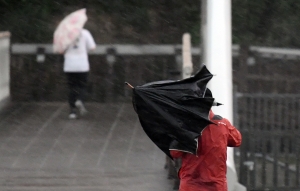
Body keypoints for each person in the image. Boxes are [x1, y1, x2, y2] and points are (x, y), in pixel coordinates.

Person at [170, 110, 242, 191]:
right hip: (216, 186)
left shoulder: (187, 126)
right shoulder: (223, 124)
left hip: (191, 184)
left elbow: (174, 152)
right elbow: (237, 140)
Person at [63, 28, 96, 119]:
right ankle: (80, 100)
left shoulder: (65, 34)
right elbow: (92, 47)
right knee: (82, 85)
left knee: (72, 87)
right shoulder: (85, 33)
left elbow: (61, 50)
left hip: (69, 65)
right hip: (82, 65)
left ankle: (72, 111)